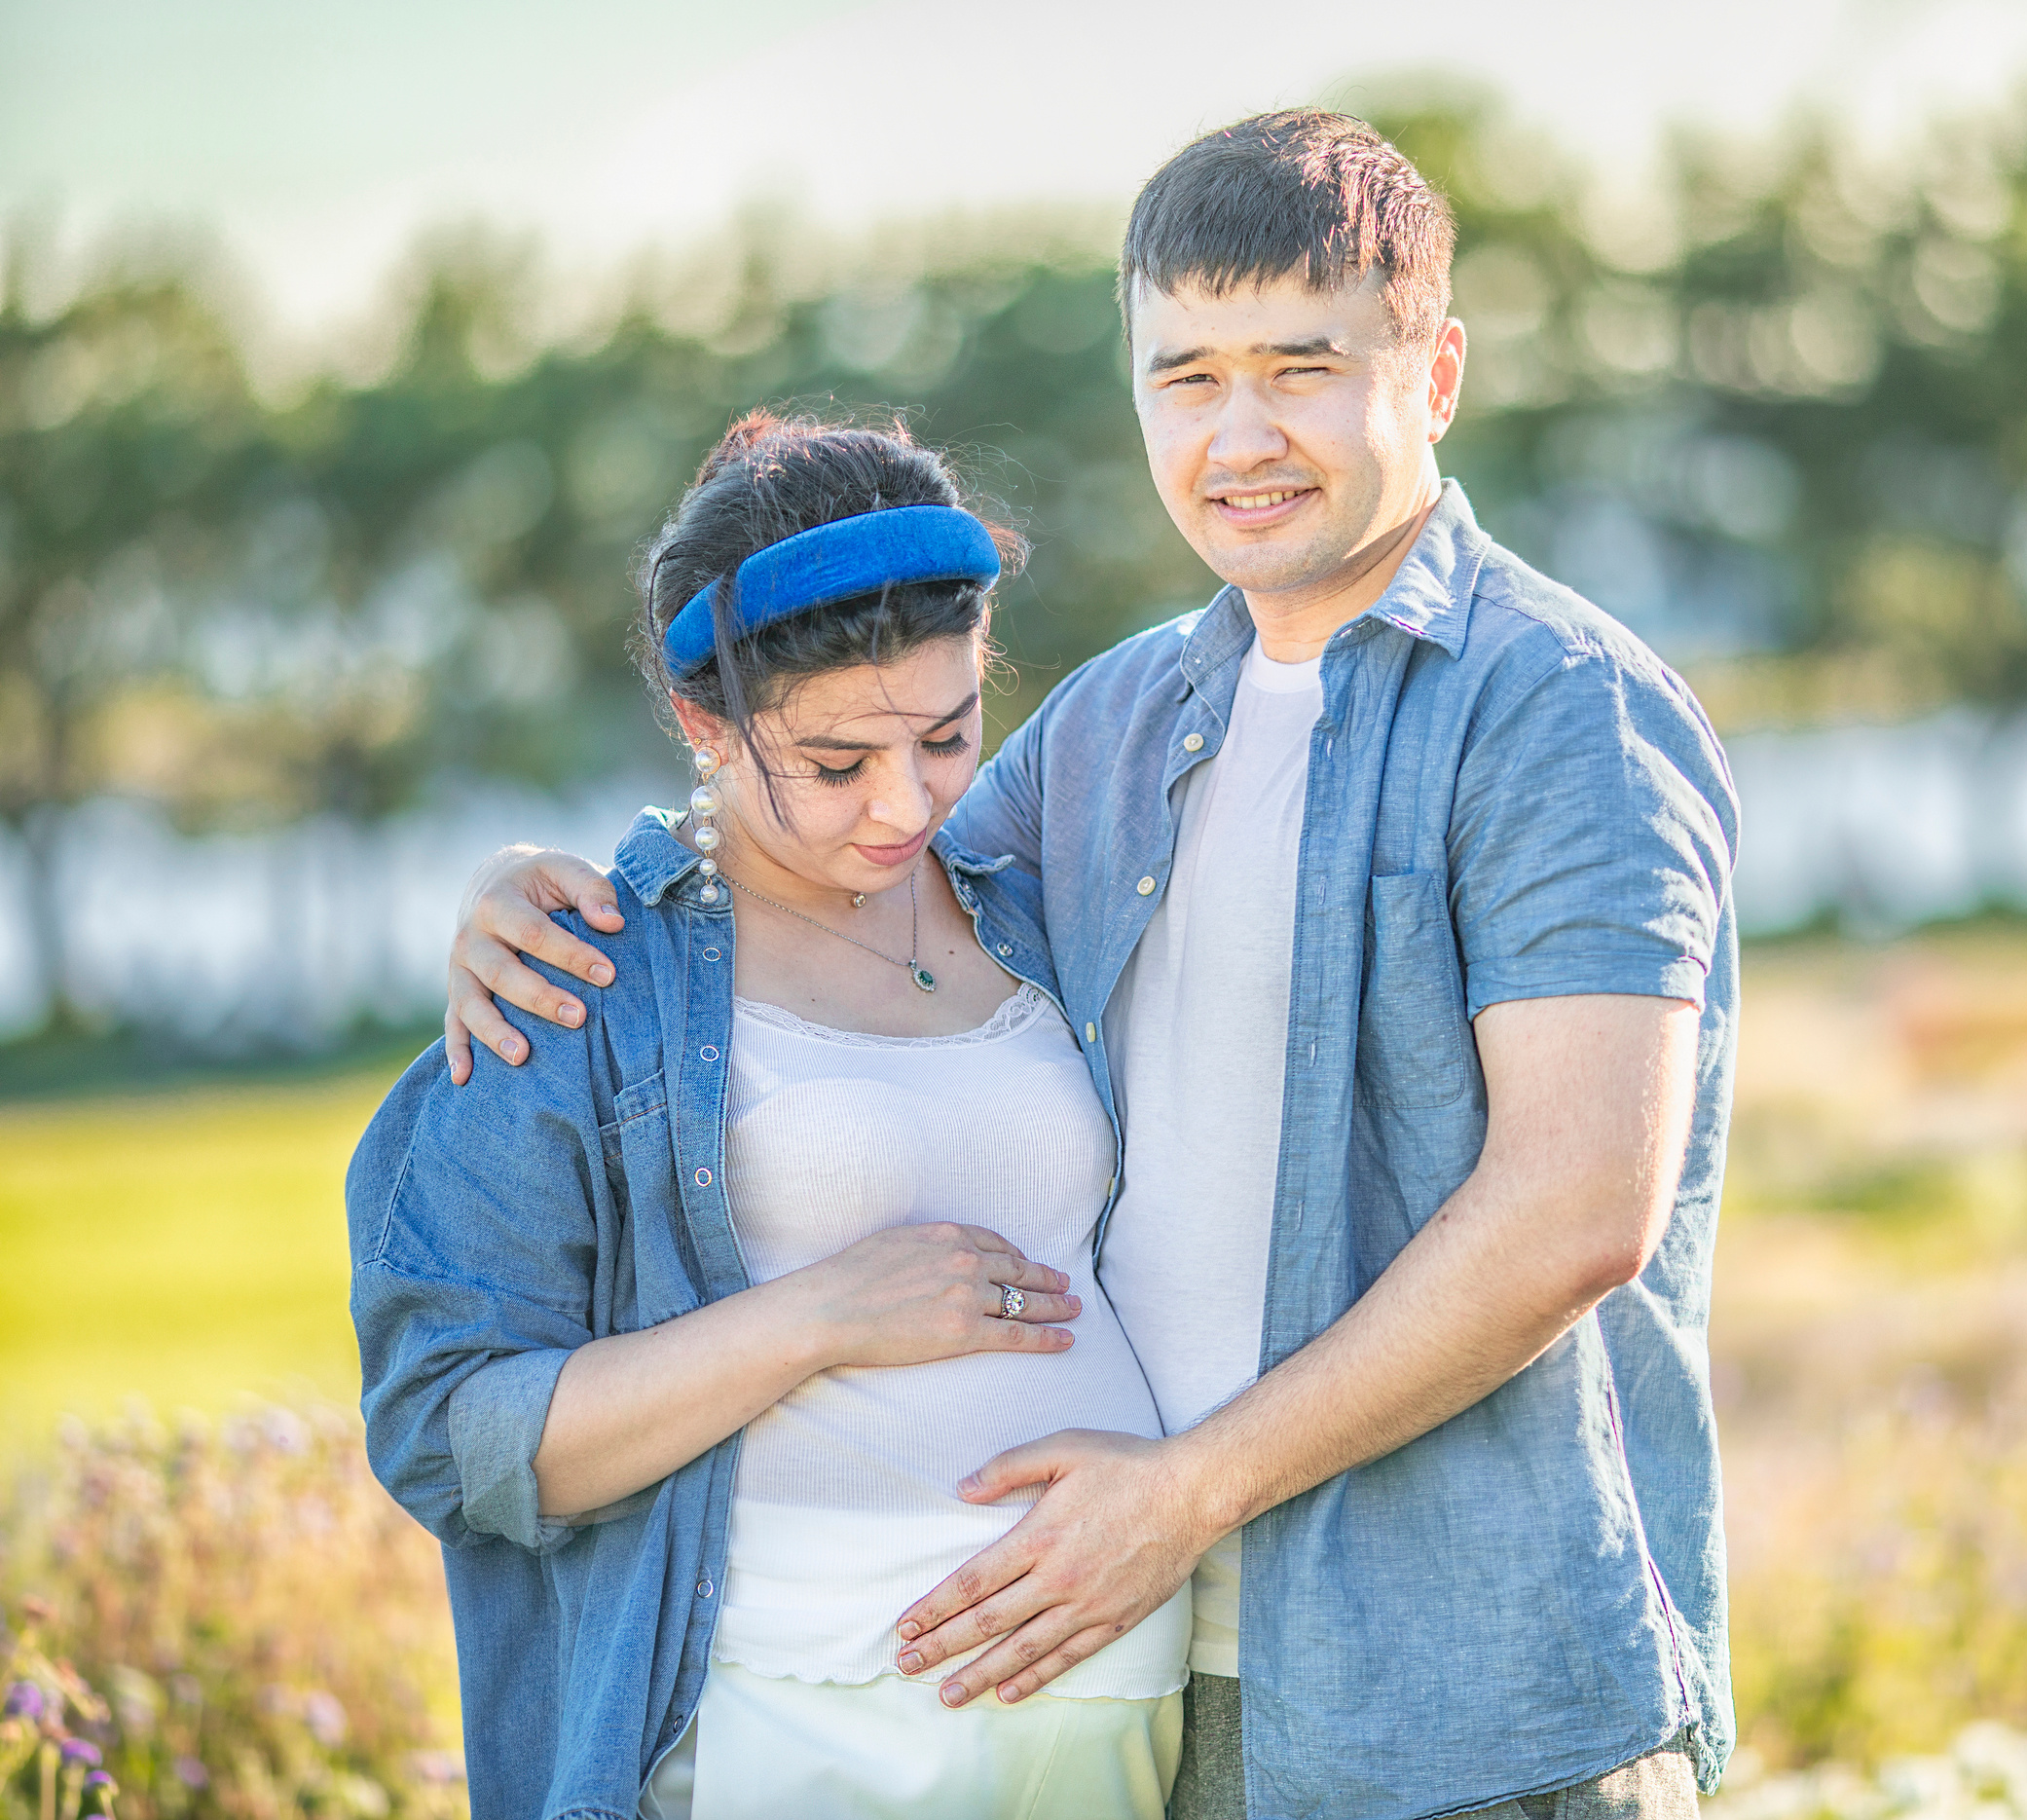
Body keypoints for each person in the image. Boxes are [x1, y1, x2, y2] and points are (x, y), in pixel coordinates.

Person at [445, 111, 1741, 1820]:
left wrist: (1183, 1491)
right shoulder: (1125, 718)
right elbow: (848, 873)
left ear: (1432, 376)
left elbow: (1577, 1206)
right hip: (1164, 1688)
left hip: (1468, 1692)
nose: (1242, 433)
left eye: (1303, 365)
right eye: (1186, 376)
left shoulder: (1558, 706)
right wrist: (536, 884)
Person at [349, 414, 1194, 1820]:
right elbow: (449, 1427)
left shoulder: (1032, 898)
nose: (902, 802)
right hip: (799, 1731)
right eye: (835, 761)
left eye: (946, 734)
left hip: (1113, 1724)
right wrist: (820, 1317)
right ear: (704, 722)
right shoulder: (582, 987)